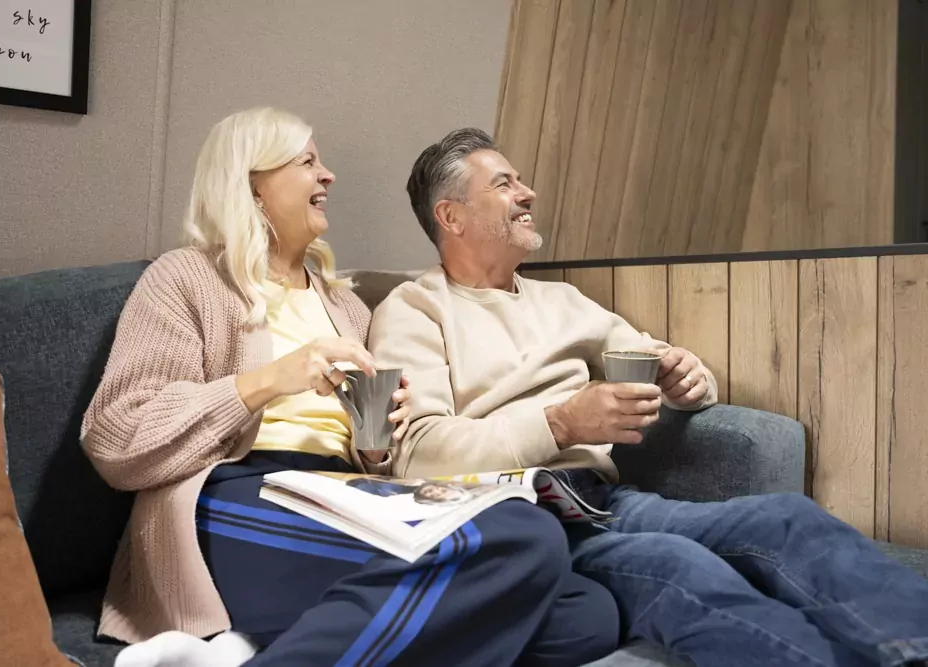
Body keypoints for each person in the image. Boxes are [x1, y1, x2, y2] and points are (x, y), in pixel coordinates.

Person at [367, 127, 928, 667]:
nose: (528, 192)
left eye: (521, 180)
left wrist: (687, 378)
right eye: (504, 184)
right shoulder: (416, 310)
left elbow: (652, 358)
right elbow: (418, 454)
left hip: (609, 501)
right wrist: (560, 423)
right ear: (451, 216)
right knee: (677, 567)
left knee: (788, 519)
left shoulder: (562, 300)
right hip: (522, 523)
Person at [81, 108, 620, 667]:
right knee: (523, 538)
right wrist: (270, 379)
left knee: (586, 615)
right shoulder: (187, 278)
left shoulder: (345, 306)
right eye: (308, 161)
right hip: (234, 493)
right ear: (251, 183)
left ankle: (253, 652)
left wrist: (376, 438)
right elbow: (117, 439)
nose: (328, 175)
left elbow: (376, 459)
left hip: (346, 496)